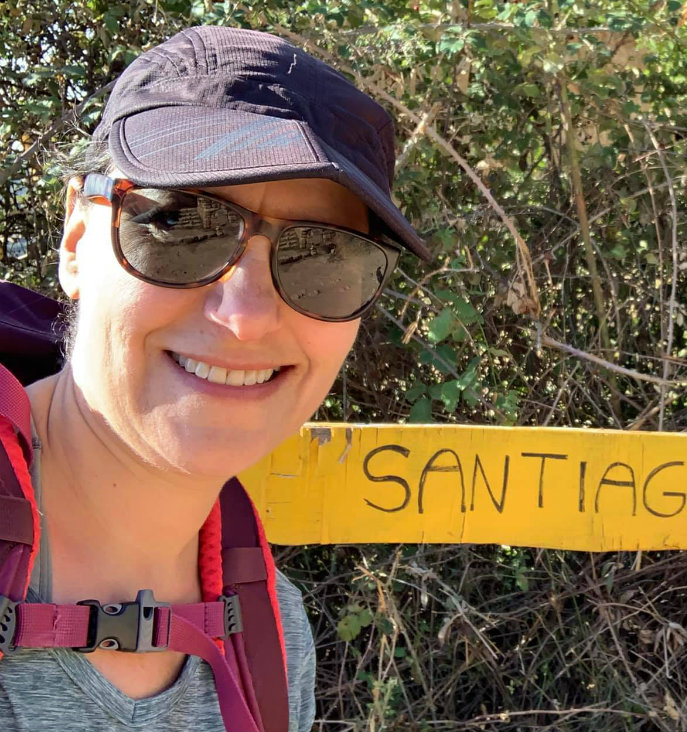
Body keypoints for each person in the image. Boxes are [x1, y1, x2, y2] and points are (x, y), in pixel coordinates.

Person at [0, 25, 429, 731]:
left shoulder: (270, 630)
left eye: (324, 255)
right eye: (180, 224)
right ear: (76, 239)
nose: (245, 317)